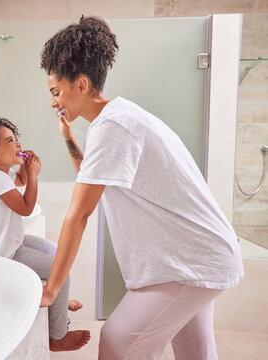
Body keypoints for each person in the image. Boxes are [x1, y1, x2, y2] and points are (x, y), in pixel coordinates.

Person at [39, 15, 244, 359]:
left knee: (118, 343)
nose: (53, 102)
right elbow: (93, 179)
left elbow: (79, 214)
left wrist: (52, 289)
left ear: (82, 84)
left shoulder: (112, 127)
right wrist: (69, 139)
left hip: (187, 261)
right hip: (199, 254)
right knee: (194, 349)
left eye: (56, 91)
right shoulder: (118, 118)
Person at [0, 117, 90, 352]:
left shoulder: (1, 174)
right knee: (60, 270)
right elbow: (26, 207)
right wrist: (34, 176)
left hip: (12, 243)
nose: (17, 144)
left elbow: (19, 180)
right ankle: (57, 337)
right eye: (10, 141)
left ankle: (58, 298)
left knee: (55, 252)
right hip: (5, 254)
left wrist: (25, 169)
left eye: (16, 139)